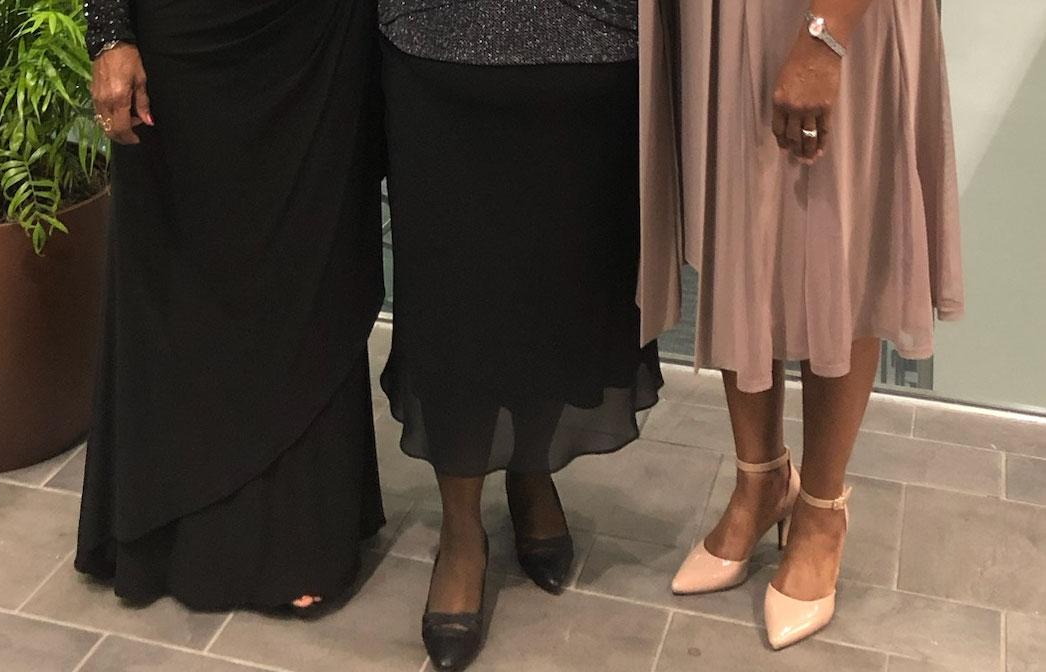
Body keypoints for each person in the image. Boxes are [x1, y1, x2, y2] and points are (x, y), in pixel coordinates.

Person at [639, 0, 964, 649]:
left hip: (829, 17)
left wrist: (826, 37)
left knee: (844, 244)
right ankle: (759, 483)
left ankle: (821, 511)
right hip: (719, 19)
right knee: (741, 237)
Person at [75, 0, 388, 611]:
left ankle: (300, 534)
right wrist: (108, 31)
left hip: (311, 33)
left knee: (306, 259)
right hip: (181, 34)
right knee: (177, 262)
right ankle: (169, 527)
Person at [378, 1, 662, 668]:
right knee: (452, 301)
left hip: (593, 44)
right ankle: (460, 532)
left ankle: (531, 471)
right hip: (435, 42)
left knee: (558, 291)